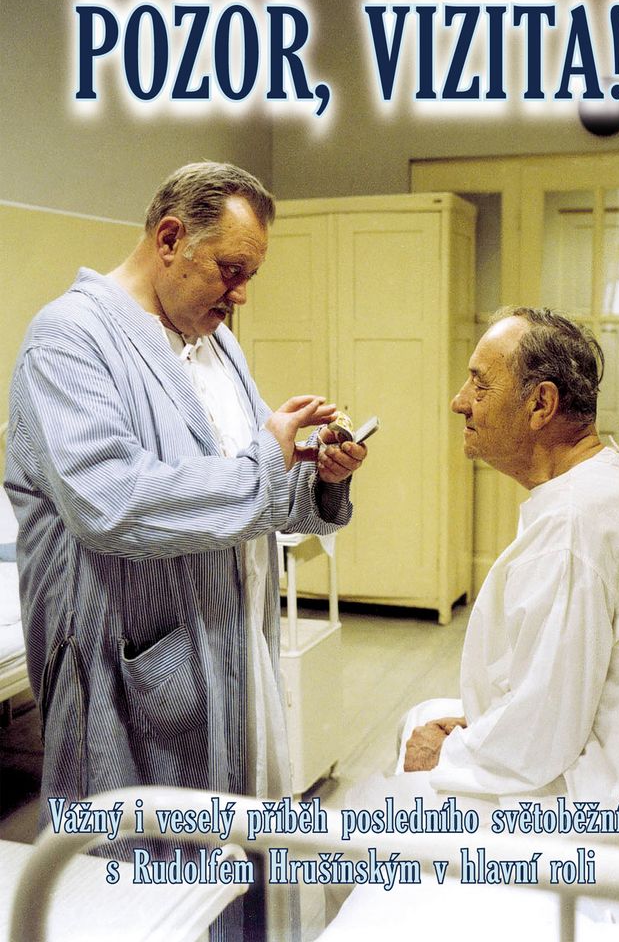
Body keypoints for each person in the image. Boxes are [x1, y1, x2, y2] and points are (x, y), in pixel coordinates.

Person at [4, 162, 367, 940]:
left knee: (230, 865)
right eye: (231, 270)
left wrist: (314, 473)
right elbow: (114, 502)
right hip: (131, 667)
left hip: (231, 652)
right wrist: (266, 462)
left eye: (249, 275)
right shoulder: (69, 340)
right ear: (170, 239)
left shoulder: (216, 344)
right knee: (134, 884)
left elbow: (250, 486)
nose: (241, 295)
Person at [401, 307, 619, 850]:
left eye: (479, 384)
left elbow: (540, 737)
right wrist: (484, 726)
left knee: (408, 778)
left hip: (617, 805)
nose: (459, 401)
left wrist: (447, 755)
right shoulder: (602, 483)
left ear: (541, 404)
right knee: (425, 721)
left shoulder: (574, 524)